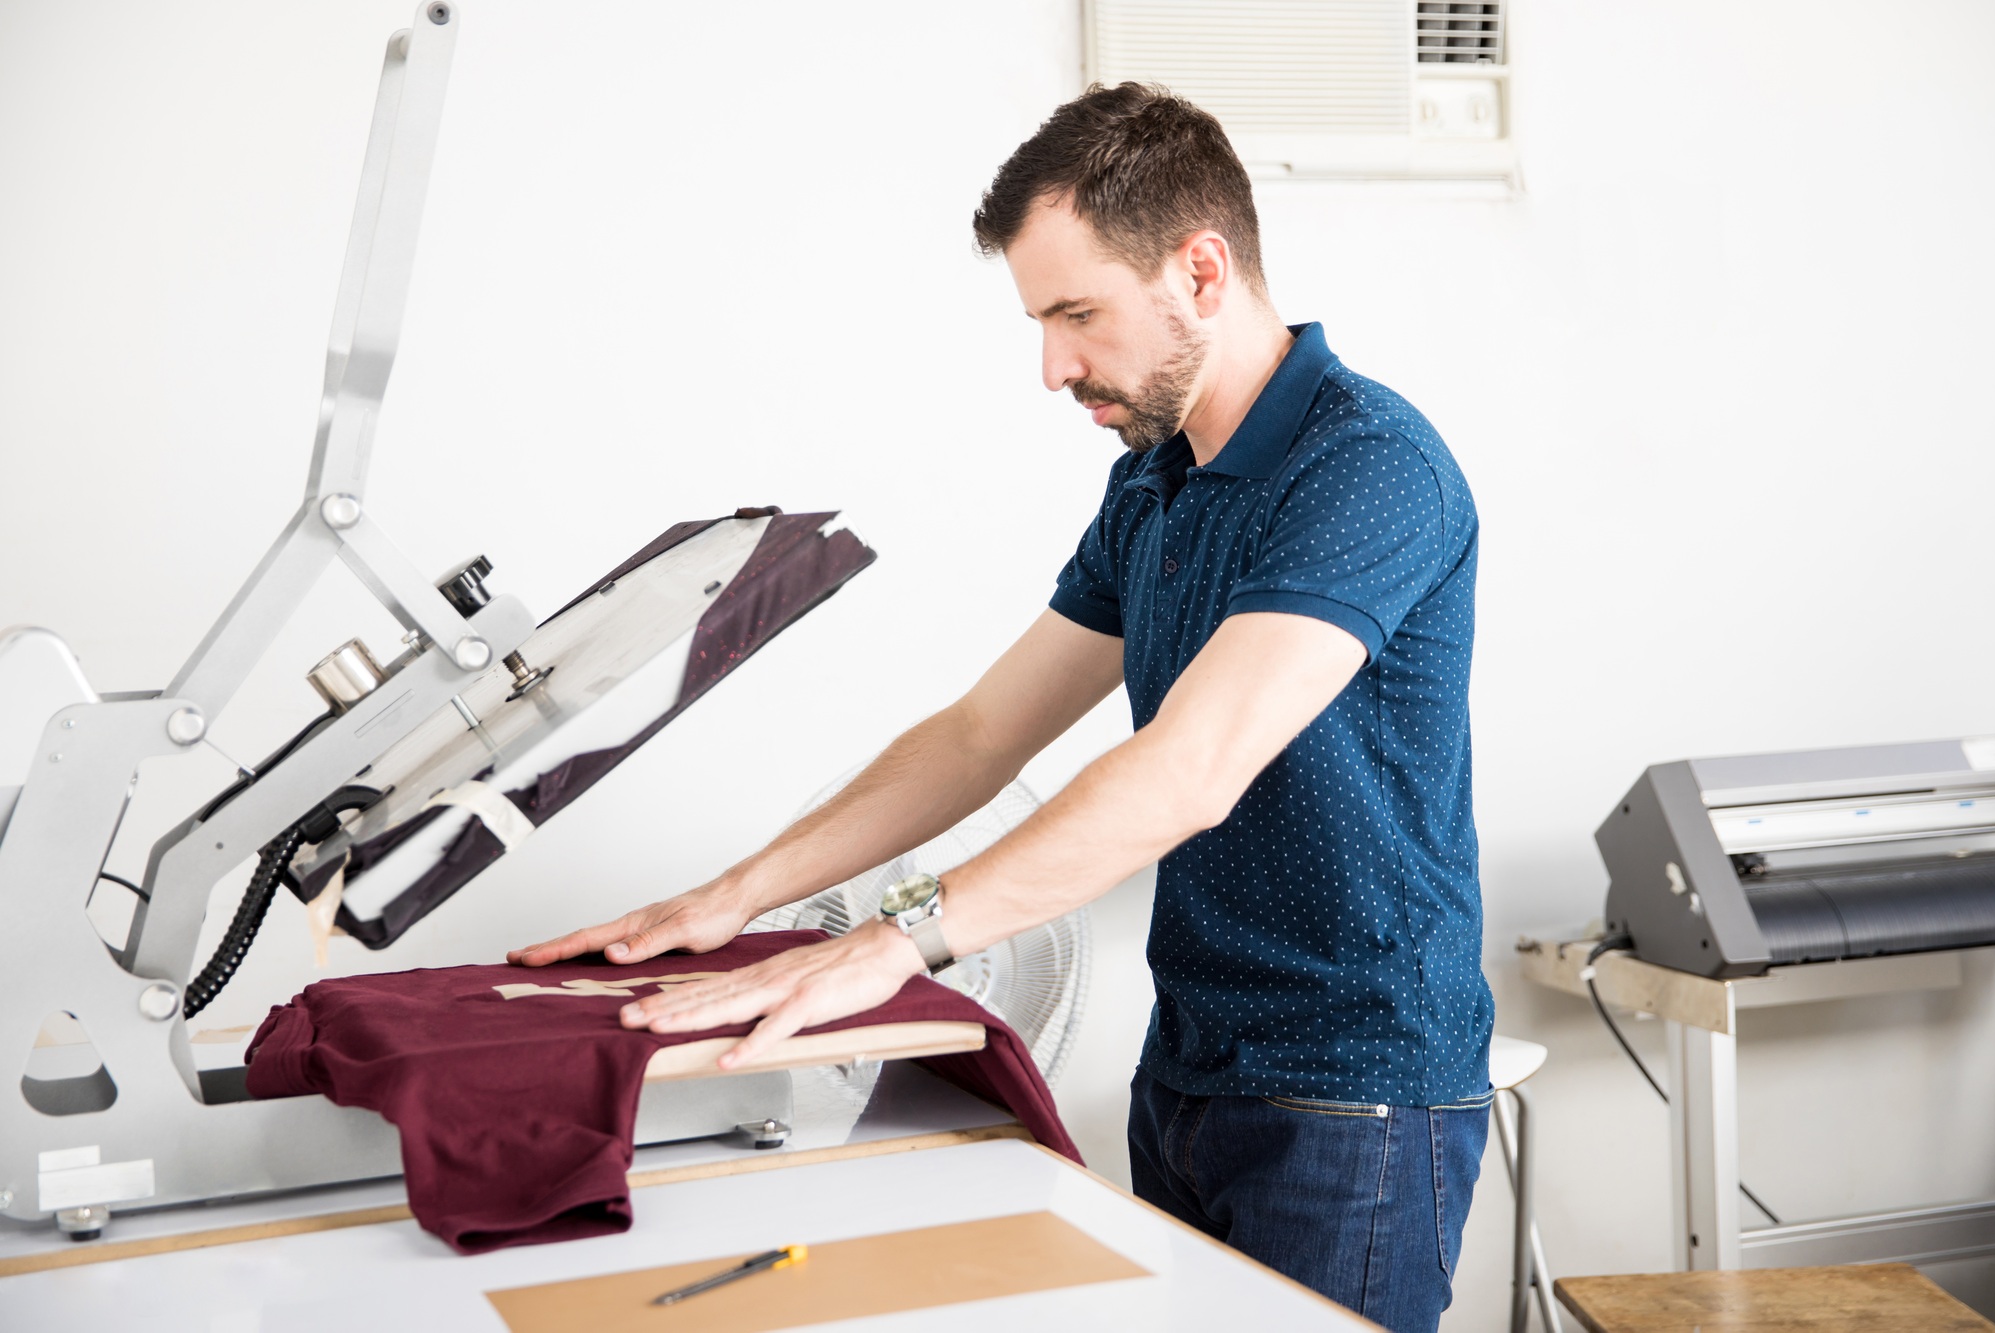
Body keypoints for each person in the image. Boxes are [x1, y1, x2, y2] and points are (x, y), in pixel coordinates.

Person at [510, 82, 1492, 1332]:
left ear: (1201, 269)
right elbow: (982, 734)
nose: (1050, 366)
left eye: (1077, 314)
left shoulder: (1365, 468)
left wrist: (897, 936)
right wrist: (732, 896)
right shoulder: (1154, 483)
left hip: (1352, 1090)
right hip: (1190, 1067)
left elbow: (1190, 769)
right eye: (1039, 320)